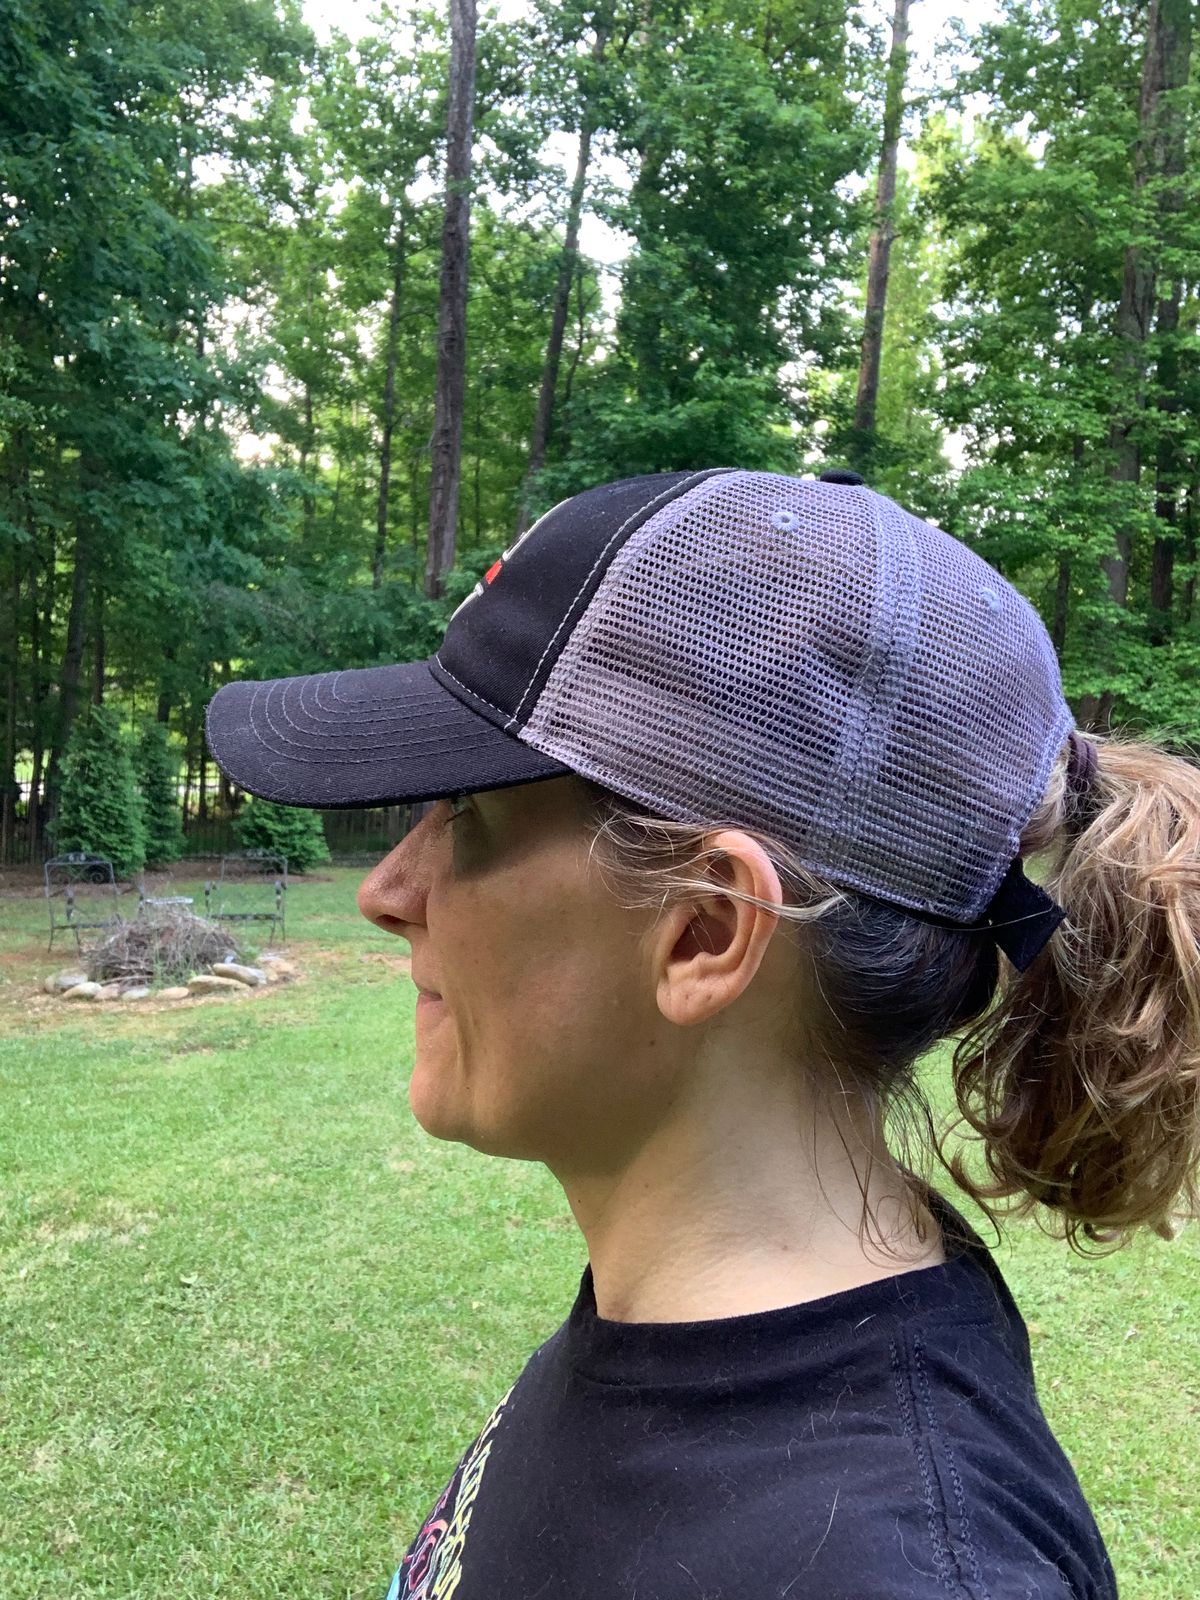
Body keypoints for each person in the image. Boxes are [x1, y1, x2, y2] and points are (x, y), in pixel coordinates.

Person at [206, 468, 1200, 1600]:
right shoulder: (686, 1320)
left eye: (468, 811)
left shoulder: (888, 1571)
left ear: (705, 931)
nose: (384, 892)